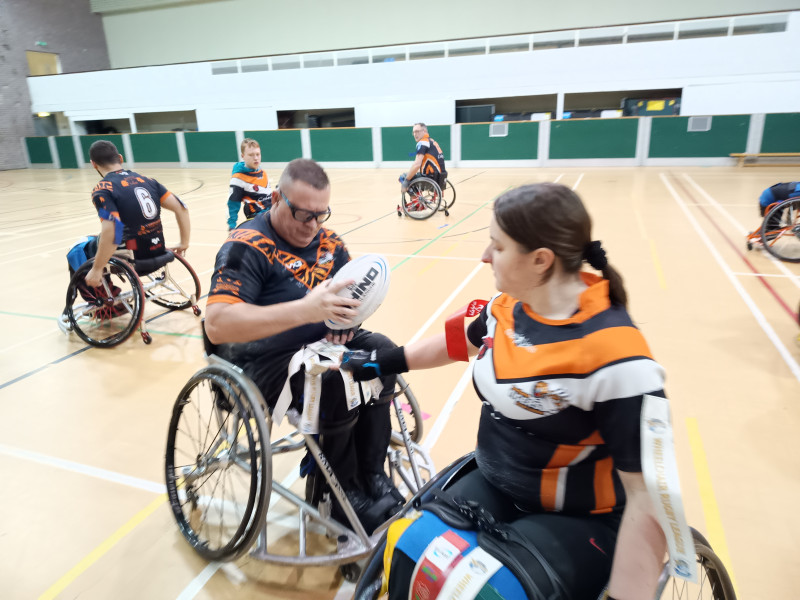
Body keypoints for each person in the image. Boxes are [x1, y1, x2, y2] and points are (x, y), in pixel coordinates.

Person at [341, 183, 671, 599]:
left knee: (488, 593)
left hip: (582, 517)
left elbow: (650, 497)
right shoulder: (508, 308)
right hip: (498, 482)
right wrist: (382, 361)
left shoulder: (620, 360)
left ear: (540, 260)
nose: (483, 255)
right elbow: (457, 341)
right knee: (405, 553)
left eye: (496, 246)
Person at [205, 158, 404, 534]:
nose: (312, 226)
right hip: (265, 358)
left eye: (320, 214)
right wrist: (304, 310)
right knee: (333, 383)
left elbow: (354, 301)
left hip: (322, 344)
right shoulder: (246, 245)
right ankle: (341, 491)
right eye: (302, 215)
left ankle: (372, 474)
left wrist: (349, 323)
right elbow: (216, 325)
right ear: (277, 197)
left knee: (383, 353)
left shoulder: (330, 243)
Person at [62, 140, 190, 311]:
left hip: (132, 255)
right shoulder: (148, 180)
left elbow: (114, 230)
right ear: (120, 158)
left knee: (77, 249)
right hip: (157, 249)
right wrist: (184, 243)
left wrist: (97, 268)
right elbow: (181, 208)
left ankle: (103, 302)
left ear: (93, 164)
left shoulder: (103, 189)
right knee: (95, 239)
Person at [227, 138, 272, 231]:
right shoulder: (238, 179)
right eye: (251, 155)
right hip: (257, 221)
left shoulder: (263, 172)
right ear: (243, 156)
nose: (255, 158)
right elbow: (232, 203)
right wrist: (232, 226)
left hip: (271, 216)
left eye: (257, 154)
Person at [399, 122, 447, 195]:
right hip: (440, 177)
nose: (415, 134)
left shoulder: (422, 142)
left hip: (430, 178)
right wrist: (441, 187)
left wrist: (407, 180)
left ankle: (417, 203)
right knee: (413, 175)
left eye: (417, 131)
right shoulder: (432, 141)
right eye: (414, 132)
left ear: (424, 131)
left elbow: (417, 165)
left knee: (403, 178)